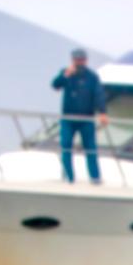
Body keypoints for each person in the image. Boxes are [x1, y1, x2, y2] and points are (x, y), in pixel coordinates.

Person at [51, 48, 108, 184]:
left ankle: (95, 178)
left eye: (81, 60)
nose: (79, 62)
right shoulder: (66, 73)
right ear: (72, 60)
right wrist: (66, 75)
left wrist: (102, 112)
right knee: (66, 146)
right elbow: (55, 85)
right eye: (76, 60)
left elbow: (98, 95)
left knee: (90, 148)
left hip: (86, 119)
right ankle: (68, 177)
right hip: (68, 119)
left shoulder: (92, 77)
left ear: (85, 60)